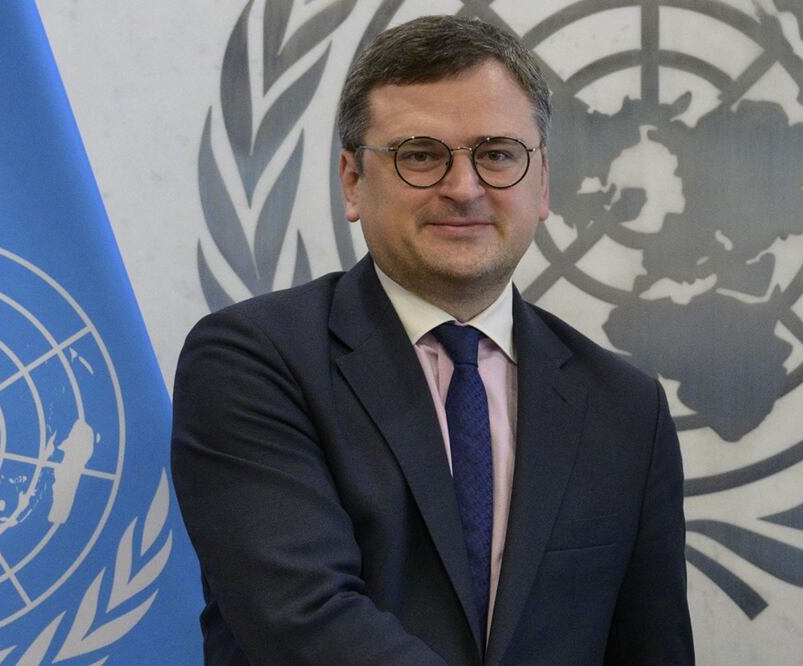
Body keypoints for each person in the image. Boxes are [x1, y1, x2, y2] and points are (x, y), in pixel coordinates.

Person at [171, 14, 693, 665]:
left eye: (497, 154)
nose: (464, 188)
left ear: (544, 184)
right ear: (352, 181)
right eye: (421, 155)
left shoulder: (625, 406)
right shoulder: (251, 362)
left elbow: (652, 648)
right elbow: (301, 621)